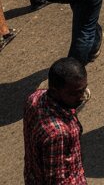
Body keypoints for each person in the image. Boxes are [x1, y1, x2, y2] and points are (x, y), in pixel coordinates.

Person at [23, 57, 89, 185]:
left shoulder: (35, 98)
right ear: (55, 92)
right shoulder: (57, 134)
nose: (81, 97)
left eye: (83, 89)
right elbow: (57, 180)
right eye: (74, 93)